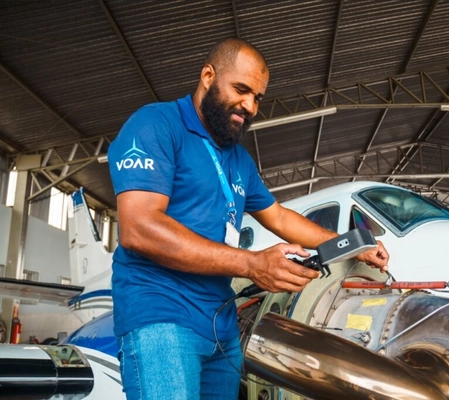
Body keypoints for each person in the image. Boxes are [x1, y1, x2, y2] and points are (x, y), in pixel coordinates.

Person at [107, 37, 389, 400]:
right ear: (208, 76)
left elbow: (280, 217)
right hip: (162, 316)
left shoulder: (238, 159)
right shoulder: (155, 125)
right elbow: (139, 229)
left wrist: (352, 245)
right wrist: (253, 264)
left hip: (220, 325)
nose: (249, 105)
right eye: (241, 90)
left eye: (257, 97)